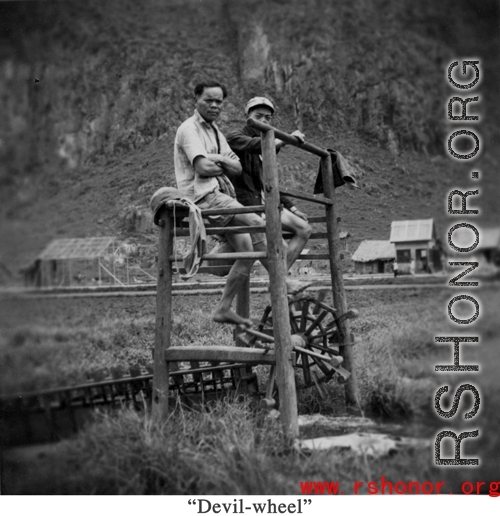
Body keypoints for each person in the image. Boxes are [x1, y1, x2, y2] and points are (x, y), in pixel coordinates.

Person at [174, 81, 268, 328]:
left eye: (219, 101)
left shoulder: (215, 131)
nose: (214, 105)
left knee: (247, 251)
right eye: (209, 100)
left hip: (217, 194)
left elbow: (236, 168)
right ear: (196, 99)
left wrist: (213, 158)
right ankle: (281, 281)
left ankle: (223, 308)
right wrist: (217, 161)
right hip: (201, 198)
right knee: (257, 222)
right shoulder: (188, 129)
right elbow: (202, 167)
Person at [226, 97, 312, 273]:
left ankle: (279, 279)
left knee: (304, 229)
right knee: (280, 248)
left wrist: (292, 208)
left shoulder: (267, 143)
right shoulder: (235, 137)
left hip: (269, 205)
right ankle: (281, 282)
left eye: (268, 117)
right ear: (247, 115)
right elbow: (254, 145)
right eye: (258, 116)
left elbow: (268, 182)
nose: (264, 120)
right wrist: (285, 139)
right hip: (249, 207)